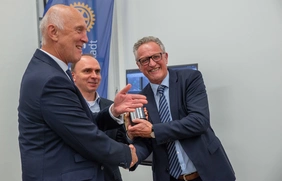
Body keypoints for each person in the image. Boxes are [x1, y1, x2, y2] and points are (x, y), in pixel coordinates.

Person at [18, 4, 147, 181]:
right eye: (79, 30)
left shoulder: (49, 71)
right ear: (53, 32)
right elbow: (85, 135)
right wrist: (128, 155)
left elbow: (77, 124)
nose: (85, 39)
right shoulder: (50, 79)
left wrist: (113, 112)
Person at [127, 36, 236, 181]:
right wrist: (132, 151)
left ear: (165, 57)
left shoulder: (190, 79)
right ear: (139, 66)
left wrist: (154, 131)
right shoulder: (140, 99)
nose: (152, 63)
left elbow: (199, 121)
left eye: (156, 56)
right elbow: (145, 142)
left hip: (208, 173)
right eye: (145, 60)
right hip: (170, 177)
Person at [71, 54, 128, 181]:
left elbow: (121, 142)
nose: (94, 76)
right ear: (73, 76)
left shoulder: (111, 106)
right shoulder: (66, 107)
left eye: (97, 71)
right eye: (87, 71)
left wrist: (131, 132)